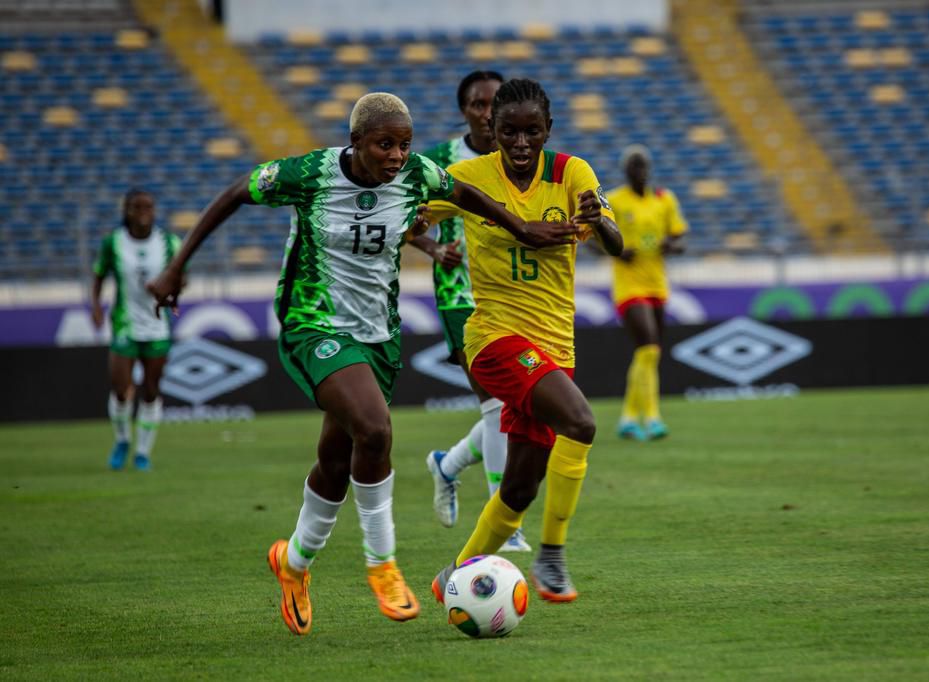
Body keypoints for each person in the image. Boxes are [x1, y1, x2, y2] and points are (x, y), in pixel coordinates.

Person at [146, 92, 572, 636]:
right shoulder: (312, 173)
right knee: (374, 430)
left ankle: (294, 563)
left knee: (336, 457)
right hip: (314, 322)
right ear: (356, 142)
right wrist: (177, 266)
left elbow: (464, 193)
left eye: (404, 144)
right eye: (384, 144)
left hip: (377, 335)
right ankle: (383, 564)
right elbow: (235, 193)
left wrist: (522, 228)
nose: (396, 155)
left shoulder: (418, 174)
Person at [426, 78, 623, 604]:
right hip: (494, 339)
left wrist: (597, 221)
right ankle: (552, 557)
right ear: (490, 129)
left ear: (547, 130)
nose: (519, 143)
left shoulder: (571, 173)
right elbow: (406, 216)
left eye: (531, 132)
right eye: (508, 131)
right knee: (580, 422)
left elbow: (616, 243)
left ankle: (455, 575)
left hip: (554, 346)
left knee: (517, 490)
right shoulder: (467, 177)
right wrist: (427, 245)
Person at [410, 70, 531, 552]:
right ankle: (507, 524)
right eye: (478, 104)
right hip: (461, 297)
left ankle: (448, 464)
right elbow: (401, 216)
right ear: (465, 110)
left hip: (513, 298)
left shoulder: (518, 161)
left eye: (494, 104)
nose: (486, 112)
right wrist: (433, 249)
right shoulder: (440, 161)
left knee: (518, 406)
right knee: (499, 405)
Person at [91, 189, 180, 471]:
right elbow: (98, 275)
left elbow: (182, 277)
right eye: (137, 206)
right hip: (124, 323)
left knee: (151, 390)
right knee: (121, 389)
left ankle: (143, 452)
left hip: (157, 324)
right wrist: (95, 306)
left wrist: (171, 292)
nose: (143, 211)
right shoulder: (113, 243)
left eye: (148, 206)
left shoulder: (169, 242)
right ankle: (121, 441)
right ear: (126, 210)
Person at [606, 145, 687, 440]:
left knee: (647, 353)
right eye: (633, 167)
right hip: (628, 286)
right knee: (650, 348)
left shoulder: (664, 199)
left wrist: (670, 246)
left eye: (642, 167)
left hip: (657, 284)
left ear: (648, 169)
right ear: (625, 171)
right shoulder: (614, 200)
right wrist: (615, 252)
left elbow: (680, 238)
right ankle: (652, 418)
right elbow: (591, 237)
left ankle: (628, 417)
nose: (639, 172)